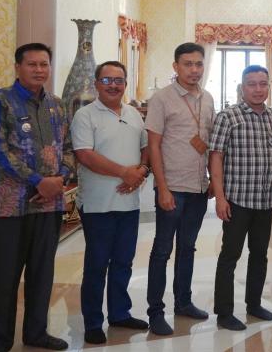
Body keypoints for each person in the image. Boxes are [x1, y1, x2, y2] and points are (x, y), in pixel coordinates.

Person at [0, 43, 73, 352]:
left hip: (49, 204)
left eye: (44, 64)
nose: (38, 70)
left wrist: (60, 179)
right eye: (32, 64)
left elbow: (68, 148)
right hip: (10, 206)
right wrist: (38, 181)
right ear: (18, 67)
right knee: (6, 277)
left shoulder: (56, 105)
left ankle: (36, 333)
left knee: (42, 274)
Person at [71, 61, 150, 344]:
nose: (113, 85)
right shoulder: (85, 115)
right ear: (97, 84)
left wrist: (141, 171)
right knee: (96, 264)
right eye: (107, 80)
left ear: (125, 84)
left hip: (129, 203)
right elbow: (85, 155)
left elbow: (145, 148)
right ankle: (93, 321)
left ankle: (119, 313)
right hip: (97, 205)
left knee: (123, 261)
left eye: (119, 80)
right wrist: (124, 173)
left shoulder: (134, 114)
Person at [145, 42, 215, 335]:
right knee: (162, 250)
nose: (194, 70)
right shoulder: (162, 99)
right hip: (172, 186)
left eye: (198, 64)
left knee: (187, 247)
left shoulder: (208, 98)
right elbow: (153, 145)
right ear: (176, 67)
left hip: (198, 187)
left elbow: (209, 143)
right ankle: (155, 312)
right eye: (187, 64)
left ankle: (183, 302)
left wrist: (212, 179)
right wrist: (162, 188)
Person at [209, 65, 272, 331]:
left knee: (260, 255)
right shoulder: (228, 117)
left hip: (264, 201)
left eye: (263, 84)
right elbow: (215, 157)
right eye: (252, 84)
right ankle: (224, 312)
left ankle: (254, 304)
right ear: (242, 88)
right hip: (237, 200)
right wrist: (220, 198)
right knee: (230, 256)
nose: (258, 89)